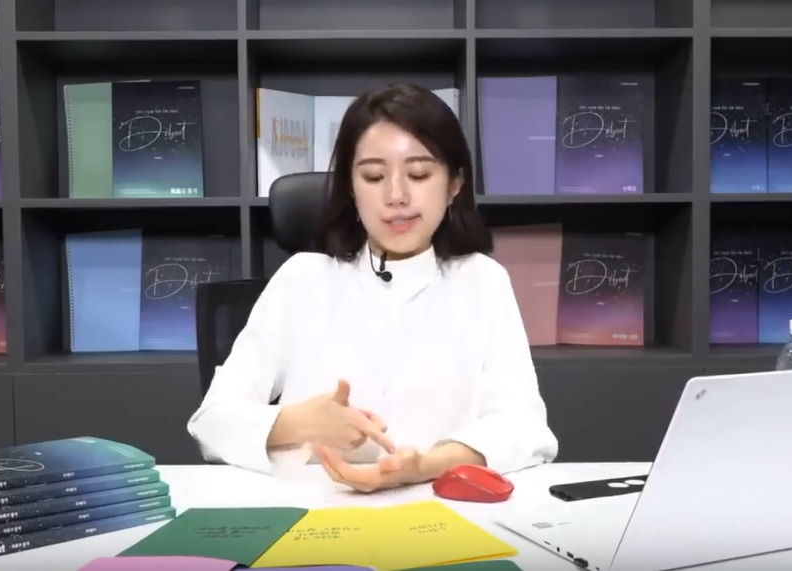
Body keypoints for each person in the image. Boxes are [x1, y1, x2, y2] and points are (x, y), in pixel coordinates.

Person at [187, 84, 557, 493]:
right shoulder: (302, 279)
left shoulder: (483, 281)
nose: (396, 196)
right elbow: (211, 419)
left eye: (419, 174)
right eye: (374, 176)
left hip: (435, 503)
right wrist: (299, 423)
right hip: (316, 505)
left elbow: (524, 427)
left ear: (454, 183)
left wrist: (424, 466)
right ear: (350, 186)